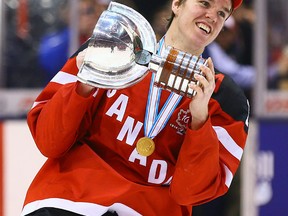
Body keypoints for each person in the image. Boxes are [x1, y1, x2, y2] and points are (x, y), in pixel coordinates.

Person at [21, 0, 249, 215]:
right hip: (69, 202)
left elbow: (189, 192)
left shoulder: (225, 100)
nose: (212, 16)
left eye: (222, 13)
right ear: (177, 4)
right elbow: (48, 141)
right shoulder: (112, 47)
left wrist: (200, 120)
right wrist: (85, 85)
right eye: (204, 3)